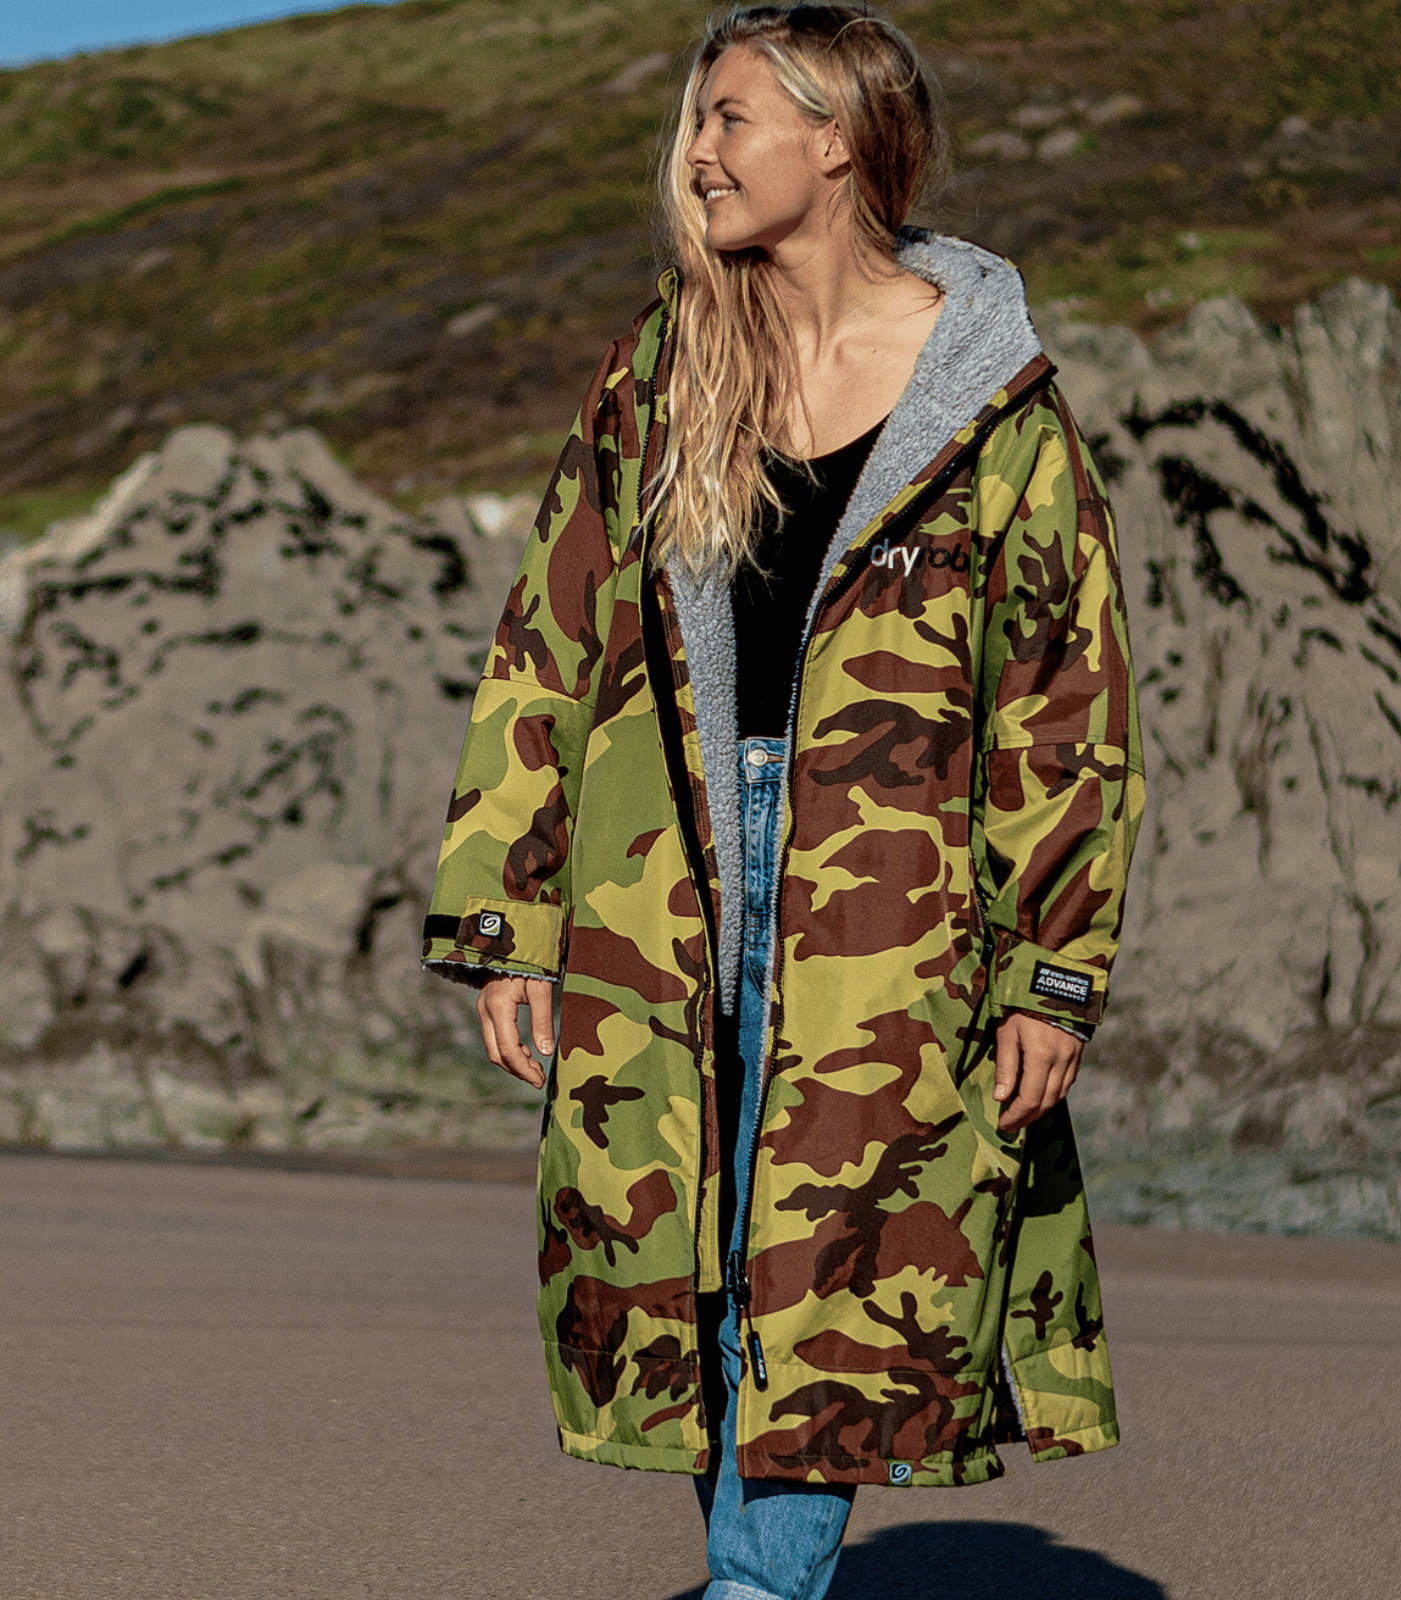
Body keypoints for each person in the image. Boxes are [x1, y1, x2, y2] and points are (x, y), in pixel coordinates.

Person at [422, 5, 1144, 1597]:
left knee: (832, 1276)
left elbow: (1063, 697)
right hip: (656, 900)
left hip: (892, 923)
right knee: (689, 1275)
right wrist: (506, 918)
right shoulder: (663, 369)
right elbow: (547, 644)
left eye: (730, 116)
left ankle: (757, 1588)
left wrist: (1055, 967)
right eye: (698, 119)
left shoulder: (992, 403)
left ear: (836, 137)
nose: (698, 150)